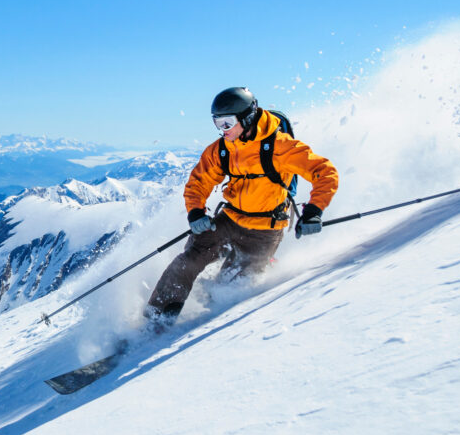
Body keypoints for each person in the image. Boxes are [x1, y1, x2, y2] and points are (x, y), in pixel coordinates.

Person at [144, 86, 339, 328]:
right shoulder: (222, 149)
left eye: (227, 123)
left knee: (230, 286)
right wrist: (196, 211)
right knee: (187, 261)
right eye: (217, 123)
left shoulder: (280, 147)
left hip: (264, 231)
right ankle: (155, 323)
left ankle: (202, 322)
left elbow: (325, 172)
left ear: (247, 118)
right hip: (228, 219)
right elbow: (198, 183)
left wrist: (313, 212)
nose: (222, 130)